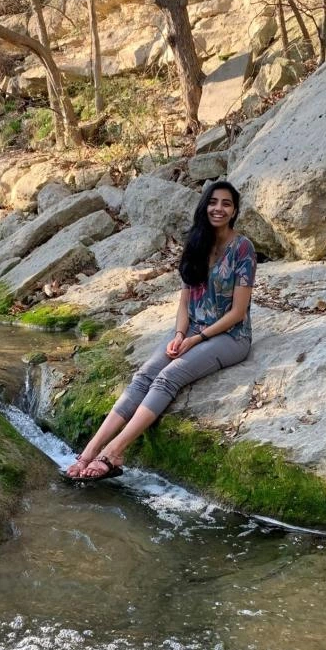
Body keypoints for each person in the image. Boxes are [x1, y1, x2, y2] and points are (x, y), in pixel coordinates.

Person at [66, 180, 256, 481]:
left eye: (226, 204)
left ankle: (115, 451)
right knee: (144, 375)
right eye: (213, 202)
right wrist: (180, 335)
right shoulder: (196, 242)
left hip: (229, 336)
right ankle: (90, 450)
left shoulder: (243, 248)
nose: (218, 208)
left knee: (169, 376)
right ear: (205, 205)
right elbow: (184, 302)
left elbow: (237, 313)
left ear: (234, 211)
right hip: (190, 329)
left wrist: (197, 338)